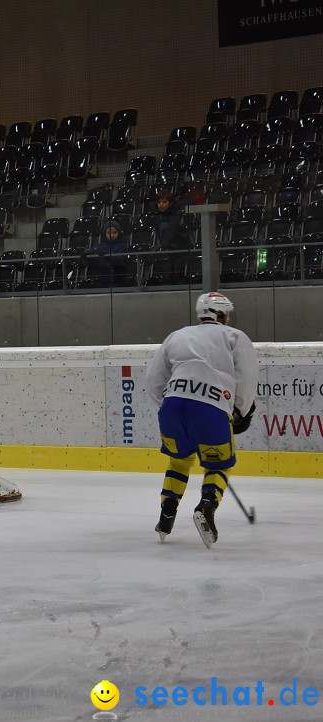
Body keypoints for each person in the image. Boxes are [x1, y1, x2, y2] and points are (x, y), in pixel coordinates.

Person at [144, 291, 258, 547]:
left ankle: (167, 512)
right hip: (211, 409)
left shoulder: (177, 335)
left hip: (172, 407)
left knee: (179, 461)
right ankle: (206, 507)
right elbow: (247, 378)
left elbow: (153, 381)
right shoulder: (235, 337)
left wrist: (170, 404)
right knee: (218, 465)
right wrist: (239, 410)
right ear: (223, 314)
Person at [152, 189, 191, 282]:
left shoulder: (176, 215)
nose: (161, 204)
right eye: (159, 202)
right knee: (169, 272)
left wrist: (163, 245)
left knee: (178, 272)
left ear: (171, 203)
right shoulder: (158, 216)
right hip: (169, 249)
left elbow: (171, 230)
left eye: (164, 202)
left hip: (181, 249)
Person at [94, 219, 128, 286]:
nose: (112, 235)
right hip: (102, 281)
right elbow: (96, 262)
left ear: (119, 233)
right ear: (105, 233)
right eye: (109, 233)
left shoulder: (122, 246)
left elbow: (121, 261)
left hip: (118, 281)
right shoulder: (100, 247)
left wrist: (107, 256)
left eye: (114, 232)